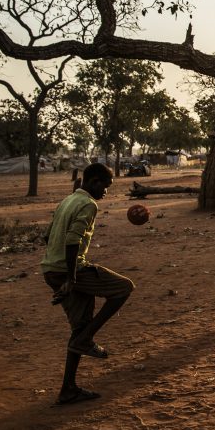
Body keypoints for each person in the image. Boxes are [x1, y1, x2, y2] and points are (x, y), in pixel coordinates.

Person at [42, 162, 134, 406]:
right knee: (124, 287)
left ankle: (68, 389)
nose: (106, 192)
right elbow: (72, 239)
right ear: (94, 181)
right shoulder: (88, 204)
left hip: (51, 269)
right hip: (70, 271)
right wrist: (71, 278)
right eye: (106, 186)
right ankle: (87, 338)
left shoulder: (68, 200)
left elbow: (47, 235)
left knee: (78, 327)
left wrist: (59, 272)